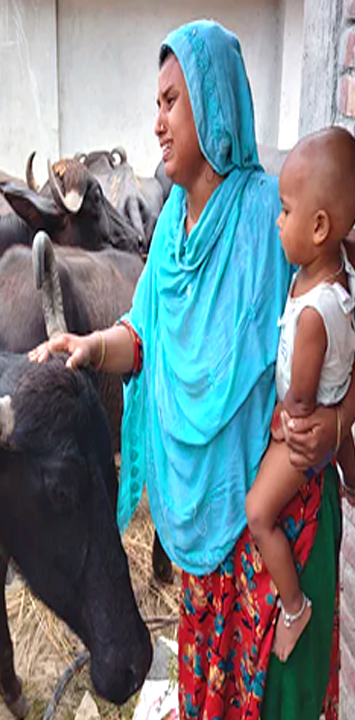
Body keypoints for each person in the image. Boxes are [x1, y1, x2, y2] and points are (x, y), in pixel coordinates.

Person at [30, 21, 343, 719]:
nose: (158, 122)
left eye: (173, 101)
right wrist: (86, 346)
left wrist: (338, 419)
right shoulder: (172, 227)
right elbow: (142, 336)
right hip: (204, 528)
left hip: (278, 531)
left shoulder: (273, 216)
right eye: (158, 103)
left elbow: (342, 311)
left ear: (216, 101)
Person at [244, 128, 355, 662]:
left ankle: (293, 606)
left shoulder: (312, 314)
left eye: (285, 212)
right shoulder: (330, 275)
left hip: (305, 433)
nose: (277, 221)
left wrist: (277, 421)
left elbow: (303, 405)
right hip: (337, 404)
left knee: (258, 512)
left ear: (318, 227)